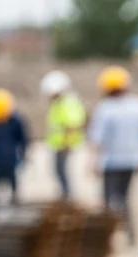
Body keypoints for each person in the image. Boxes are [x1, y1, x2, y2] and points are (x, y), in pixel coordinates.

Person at [88, 65, 138, 243]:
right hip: (133, 161)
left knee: (108, 200)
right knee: (124, 197)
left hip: (111, 163)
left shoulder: (105, 108)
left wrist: (93, 162)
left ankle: (107, 237)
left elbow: (97, 139)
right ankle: (129, 234)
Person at [40, 70, 86, 200]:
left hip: (64, 145)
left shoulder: (67, 103)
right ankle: (65, 194)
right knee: (58, 170)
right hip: (60, 144)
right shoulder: (60, 103)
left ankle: (67, 195)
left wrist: (67, 143)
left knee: (61, 170)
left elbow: (72, 125)